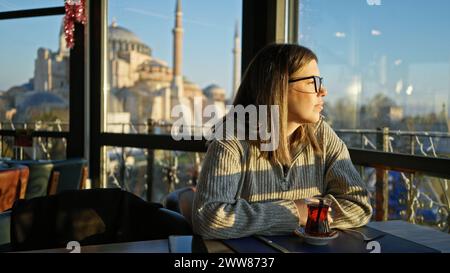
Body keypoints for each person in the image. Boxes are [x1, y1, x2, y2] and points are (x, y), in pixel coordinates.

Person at [192, 43, 372, 239]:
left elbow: (359, 205)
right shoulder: (231, 139)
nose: (323, 91)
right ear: (279, 87)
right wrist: (295, 212)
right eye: (313, 82)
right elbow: (209, 219)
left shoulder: (321, 134)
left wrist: (308, 212)